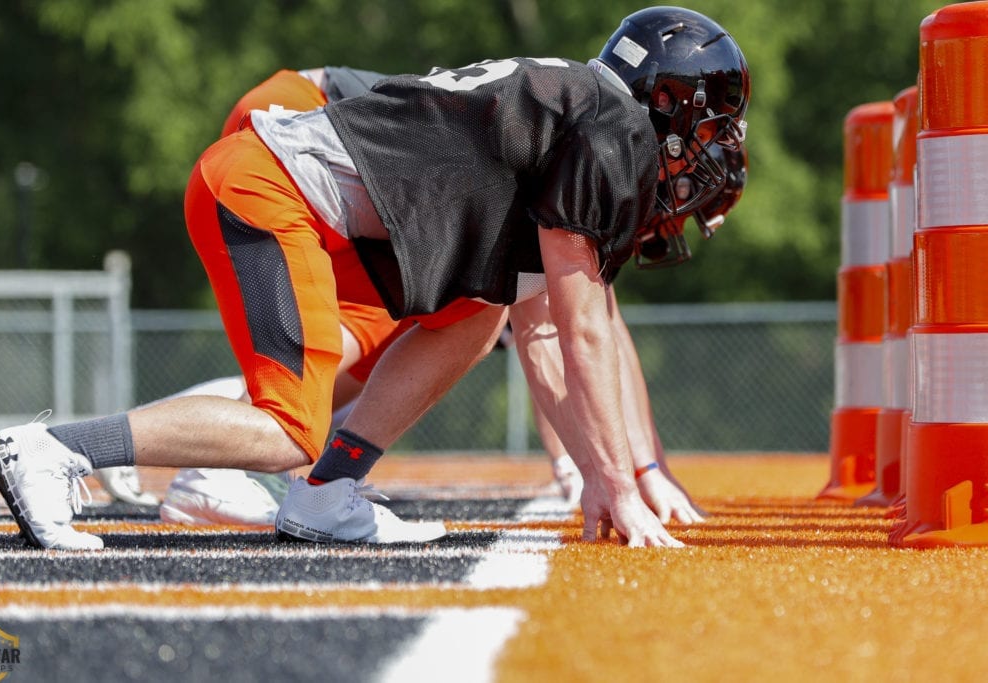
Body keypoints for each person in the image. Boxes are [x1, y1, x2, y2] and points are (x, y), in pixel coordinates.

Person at [0, 6, 749, 550]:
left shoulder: (573, 115)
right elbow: (582, 327)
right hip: (268, 186)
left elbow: (543, 330)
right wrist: (620, 475)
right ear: (665, 102)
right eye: (709, 126)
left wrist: (597, 474)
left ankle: (328, 490)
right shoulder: (610, 124)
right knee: (289, 428)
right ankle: (52, 449)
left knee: (478, 311)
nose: (709, 152)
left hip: (295, 192)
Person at [158, 63, 744, 527]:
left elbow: (570, 337)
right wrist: (622, 470)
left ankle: (258, 458)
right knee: (364, 343)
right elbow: (571, 335)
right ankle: (212, 459)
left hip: (302, 135)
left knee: (414, 331)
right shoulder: (586, 149)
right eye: (684, 188)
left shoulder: (570, 127)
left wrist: (625, 467)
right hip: (296, 122)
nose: (672, 212)